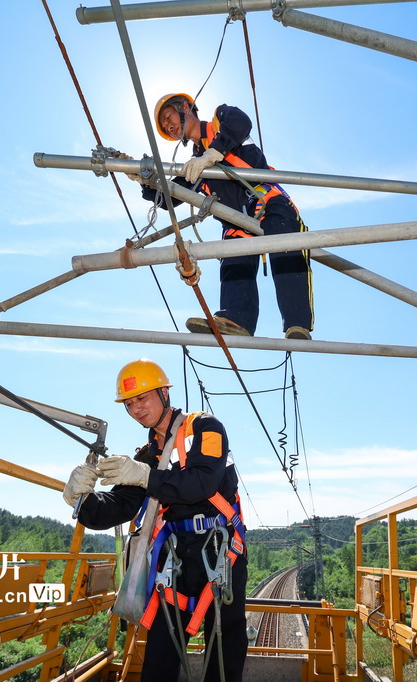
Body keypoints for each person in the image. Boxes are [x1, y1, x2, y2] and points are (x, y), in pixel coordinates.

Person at [63, 359, 248, 682]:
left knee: (223, 648)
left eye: (143, 398)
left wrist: (145, 476)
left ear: (164, 393)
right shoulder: (147, 455)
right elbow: (119, 506)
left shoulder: (206, 427)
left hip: (219, 550)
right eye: (129, 403)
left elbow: (201, 484)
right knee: (159, 653)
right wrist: (82, 499)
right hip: (175, 559)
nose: (136, 409)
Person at [145, 92, 314, 340]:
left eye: (169, 117)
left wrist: (214, 153)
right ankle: (237, 319)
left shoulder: (220, 122)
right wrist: (145, 181)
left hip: (267, 203)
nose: (169, 126)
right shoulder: (195, 168)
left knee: (286, 247)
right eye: (165, 127)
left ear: (184, 107)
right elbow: (169, 197)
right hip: (236, 221)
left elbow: (241, 121)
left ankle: (297, 323)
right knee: (234, 257)